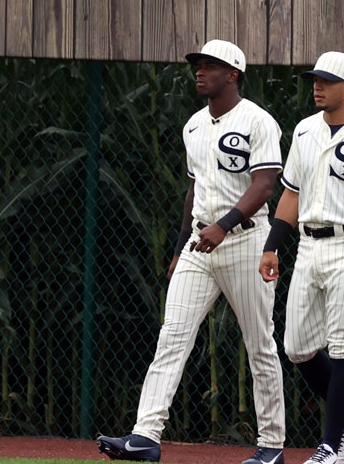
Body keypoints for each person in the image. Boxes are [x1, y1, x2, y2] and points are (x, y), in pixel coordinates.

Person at [97, 40, 286, 464]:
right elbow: (194, 188)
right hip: (201, 244)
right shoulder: (194, 125)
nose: (200, 71)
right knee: (173, 336)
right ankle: (146, 436)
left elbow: (264, 185)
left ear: (233, 74)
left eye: (210, 66)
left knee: (259, 344)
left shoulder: (258, 121)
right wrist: (181, 246)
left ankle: (272, 446)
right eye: (197, 65)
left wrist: (224, 225)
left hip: (245, 241)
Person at [259, 51, 344, 464]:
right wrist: (272, 245)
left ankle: (333, 445)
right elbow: (291, 193)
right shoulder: (305, 130)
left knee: (342, 348)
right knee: (297, 346)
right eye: (315, 79)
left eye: (327, 80)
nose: (317, 86)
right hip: (309, 246)